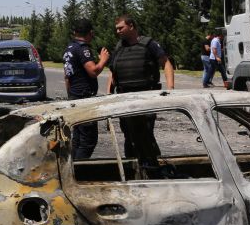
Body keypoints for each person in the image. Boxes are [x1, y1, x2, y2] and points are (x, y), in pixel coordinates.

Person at [106, 15, 175, 167]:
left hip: (146, 97)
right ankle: (133, 166)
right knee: (128, 135)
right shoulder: (119, 47)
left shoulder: (148, 44)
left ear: (131, 26)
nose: (117, 31)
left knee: (145, 134)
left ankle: (152, 166)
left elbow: (166, 63)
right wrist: (109, 95)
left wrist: (171, 89)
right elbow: (112, 72)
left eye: (120, 28)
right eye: (116, 29)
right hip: (124, 98)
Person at [63, 18, 110, 159]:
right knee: (88, 140)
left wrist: (70, 96)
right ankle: (78, 171)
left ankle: (73, 169)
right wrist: (103, 59)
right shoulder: (83, 49)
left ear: (74, 32)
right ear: (90, 33)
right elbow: (93, 71)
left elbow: (67, 77)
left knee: (77, 139)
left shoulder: (69, 48)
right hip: (84, 98)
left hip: (74, 97)